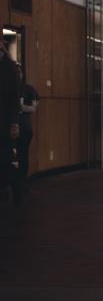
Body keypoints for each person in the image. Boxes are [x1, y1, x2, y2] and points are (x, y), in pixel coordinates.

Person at [12, 65, 38, 206]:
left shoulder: (28, 89)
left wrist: (20, 107)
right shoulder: (8, 88)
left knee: (22, 156)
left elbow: (33, 108)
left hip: (25, 128)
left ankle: (21, 184)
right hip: (9, 127)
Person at [0, 39, 20, 200]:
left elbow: (14, 98)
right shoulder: (9, 66)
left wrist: (14, 123)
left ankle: (12, 185)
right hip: (5, 120)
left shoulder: (9, 68)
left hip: (5, 121)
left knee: (5, 157)